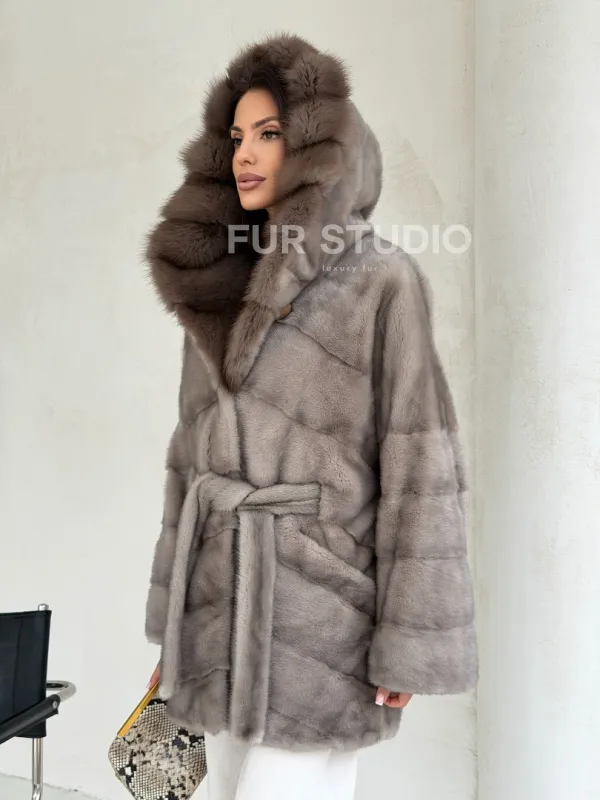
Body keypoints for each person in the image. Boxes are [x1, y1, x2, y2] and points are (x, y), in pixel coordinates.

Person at [144, 33, 478, 800]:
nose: (246, 153)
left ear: (318, 146)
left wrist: (409, 639)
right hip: (218, 622)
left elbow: (421, 466)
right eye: (236, 136)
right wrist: (175, 627)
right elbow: (187, 464)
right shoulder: (214, 289)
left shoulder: (381, 279)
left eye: (269, 133)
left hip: (323, 623)